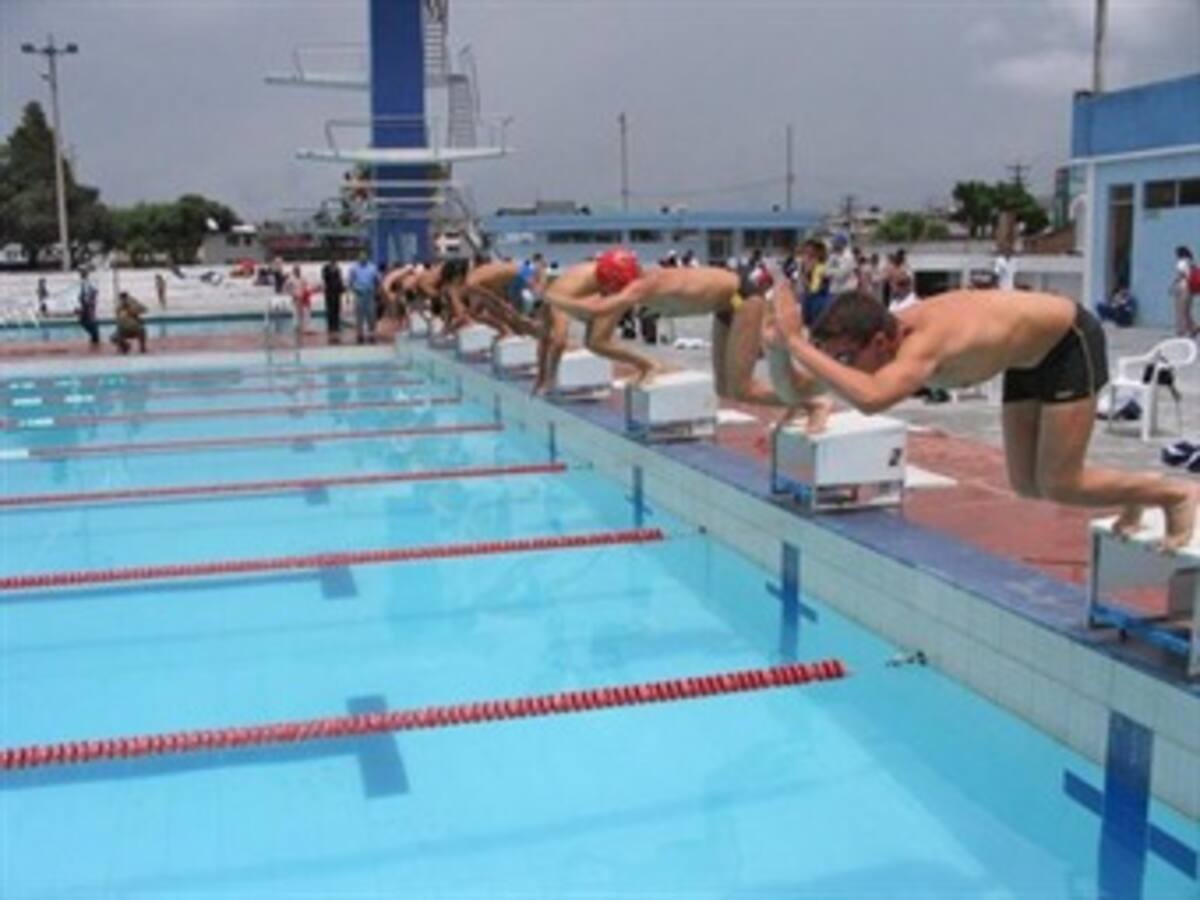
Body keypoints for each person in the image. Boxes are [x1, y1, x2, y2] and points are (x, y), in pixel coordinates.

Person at [771, 282, 1197, 550]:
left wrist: (797, 344)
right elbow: (797, 389)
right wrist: (778, 348)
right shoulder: (882, 340)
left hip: (1068, 342)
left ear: (881, 342)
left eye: (846, 357)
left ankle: (1174, 495)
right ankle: (1131, 494)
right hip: (1028, 359)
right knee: (1028, 484)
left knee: (1060, 481)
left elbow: (871, 400)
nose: (842, 365)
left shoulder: (923, 345)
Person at [546, 248, 830, 430]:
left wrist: (549, 295)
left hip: (744, 299)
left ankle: (814, 404)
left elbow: (599, 308)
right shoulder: (638, 283)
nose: (605, 291)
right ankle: (796, 403)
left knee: (742, 388)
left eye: (608, 286)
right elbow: (598, 318)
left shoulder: (644, 286)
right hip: (726, 305)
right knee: (726, 390)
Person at [347, 252, 381, 344]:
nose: (363, 259)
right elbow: (350, 282)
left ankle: (371, 334)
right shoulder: (354, 268)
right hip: (359, 294)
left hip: (370, 294)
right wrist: (350, 294)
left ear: (367, 258)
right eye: (361, 258)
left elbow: (378, 280)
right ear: (358, 258)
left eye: (364, 258)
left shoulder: (373, 267)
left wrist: (377, 292)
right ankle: (360, 334)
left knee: (371, 314)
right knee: (359, 315)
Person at [1172, 246, 1196, 337]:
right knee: (1187, 310)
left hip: (1182, 288)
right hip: (1190, 288)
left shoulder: (1181, 262)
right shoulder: (1191, 262)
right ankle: (1193, 328)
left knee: (1180, 310)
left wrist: (1173, 285)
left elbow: (1181, 275)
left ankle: (1181, 330)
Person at [285, 265, 313, 336]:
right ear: (294, 271)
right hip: (295, 298)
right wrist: (292, 294)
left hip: (303, 298)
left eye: (298, 270)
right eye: (296, 270)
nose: (297, 271)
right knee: (296, 314)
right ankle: (296, 329)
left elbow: (307, 286)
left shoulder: (303, 278)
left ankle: (306, 328)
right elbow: (285, 288)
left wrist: (306, 293)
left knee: (306, 313)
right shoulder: (290, 279)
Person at [321, 259, 345, 342]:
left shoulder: (338, 270)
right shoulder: (326, 269)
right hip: (329, 294)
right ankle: (331, 327)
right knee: (330, 311)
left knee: (337, 310)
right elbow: (325, 278)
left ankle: (336, 326)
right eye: (333, 264)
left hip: (337, 294)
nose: (334, 266)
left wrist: (342, 289)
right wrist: (331, 271)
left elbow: (340, 281)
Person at [76, 269, 100, 349]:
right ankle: (94, 336)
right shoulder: (84, 282)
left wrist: (88, 299)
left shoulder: (87, 282)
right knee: (85, 320)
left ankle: (95, 336)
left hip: (88, 304)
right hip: (86, 304)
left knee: (87, 320)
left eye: (82, 273)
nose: (80, 275)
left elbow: (93, 291)